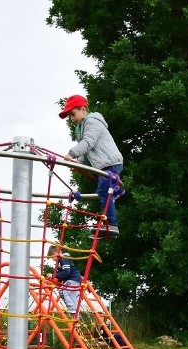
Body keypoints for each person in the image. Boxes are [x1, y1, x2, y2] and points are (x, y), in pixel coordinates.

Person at [59, 94, 124, 237]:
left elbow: (88, 143)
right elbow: (86, 153)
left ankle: (111, 225)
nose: (72, 118)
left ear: (83, 109)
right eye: (70, 116)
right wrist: (79, 165)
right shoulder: (81, 127)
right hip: (104, 164)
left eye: (73, 114)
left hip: (110, 163)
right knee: (105, 190)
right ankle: (117, 189)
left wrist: (72, 153)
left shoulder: (92, 122)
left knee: (103, 192)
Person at [47, 245, 82, 312]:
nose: (53, 260)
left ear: (55, 254)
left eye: (52, 258)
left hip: (73, 279)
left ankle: (72, 310)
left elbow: (66, 272)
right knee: (72, 296)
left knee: (63, 292)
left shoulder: (63, 259)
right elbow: (63, 273)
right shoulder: (62, 260)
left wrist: (53, 275)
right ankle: (75, 315)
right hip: (75, 279)